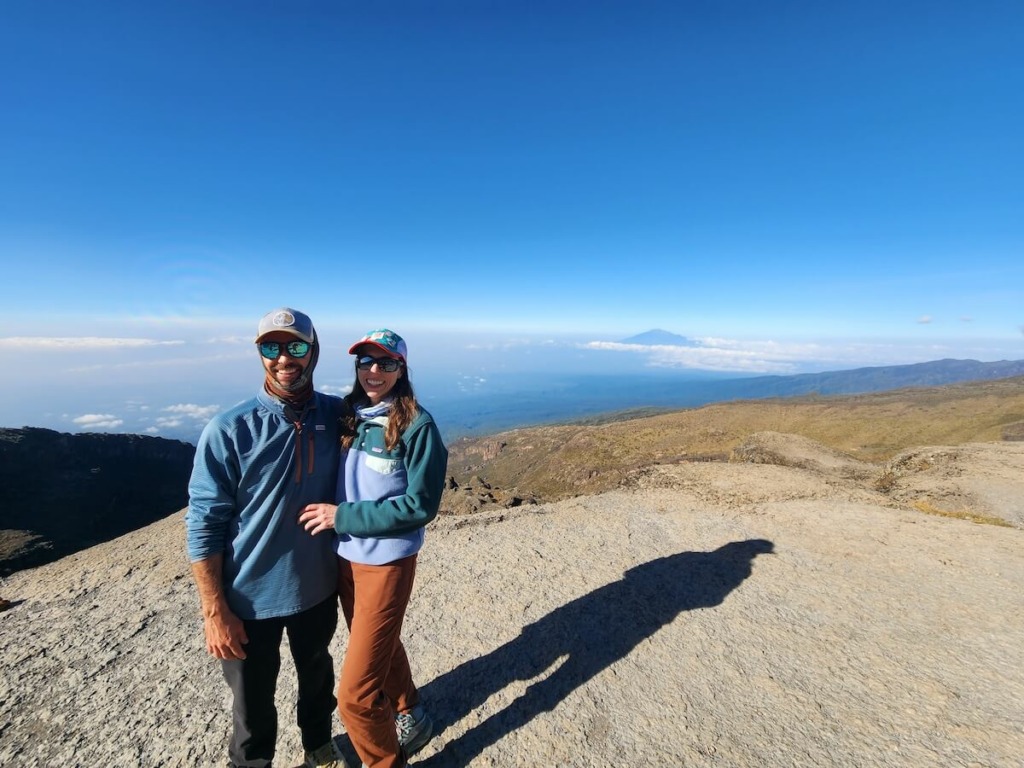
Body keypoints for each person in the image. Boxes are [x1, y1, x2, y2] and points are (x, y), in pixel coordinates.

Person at [186, 307, 350, 768]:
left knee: (317, 678)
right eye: (271, 348)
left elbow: (394, 420)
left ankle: (319, 748)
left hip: (317, 589)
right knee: (252, 711)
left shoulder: (339, 415)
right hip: (247, 601)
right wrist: (214, 611)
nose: (284, 358)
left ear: (313, 352)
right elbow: (204, 523)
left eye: (296, 346)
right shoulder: (229, 430)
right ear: (259, 354)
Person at [299, 329, 447, 768]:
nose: (374, 371)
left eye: (385, 363)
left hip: (386, 564)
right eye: (365, 362)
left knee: (355, 697)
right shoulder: (351, 415)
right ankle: (411, 712)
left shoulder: (418, 426)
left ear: (402, 369)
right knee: (381, 643)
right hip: (346, 559)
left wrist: (341, 517)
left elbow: (420, 505)